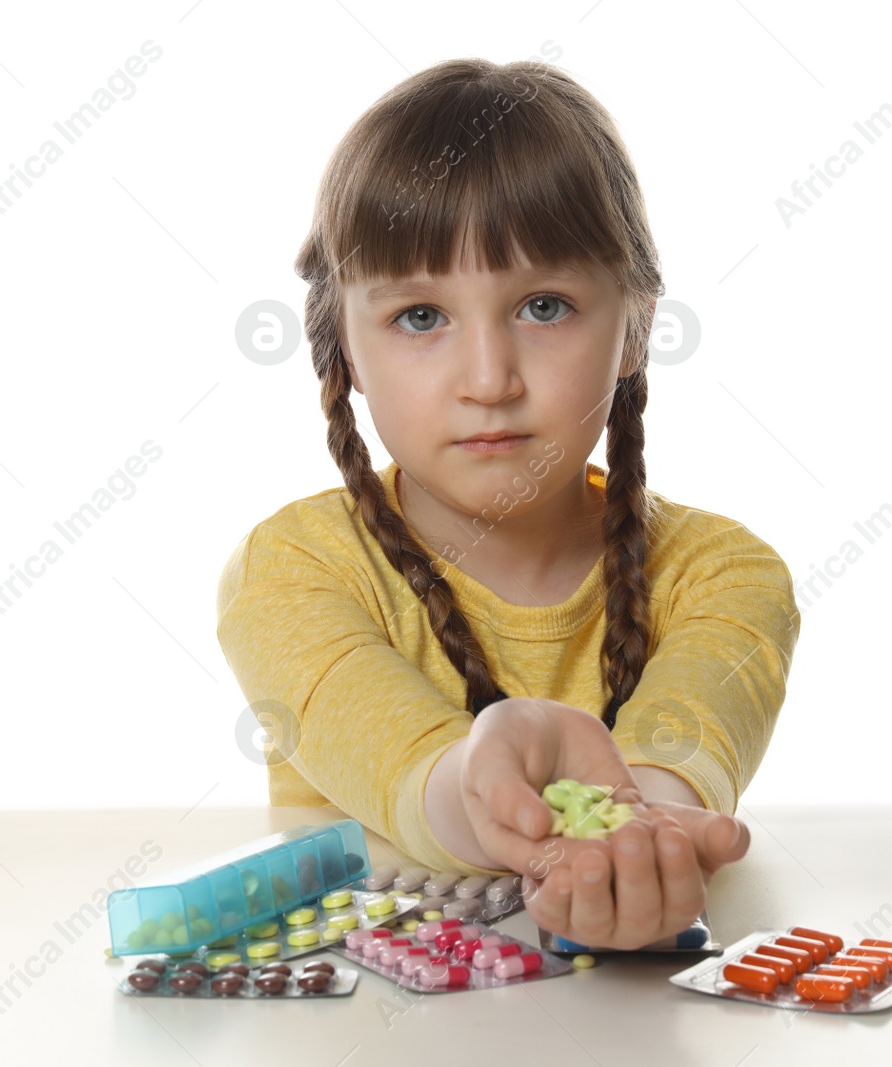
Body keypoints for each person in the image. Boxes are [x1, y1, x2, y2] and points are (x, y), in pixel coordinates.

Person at [217, 57, 800, 950]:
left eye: (543, 304)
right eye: (420, 316)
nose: (489, 380)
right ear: (343, 346)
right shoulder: (293, 572)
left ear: (636, 325)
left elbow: (685, 760)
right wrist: (494, 783)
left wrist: (636, 834)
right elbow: (405, 767)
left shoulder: (724, 576)